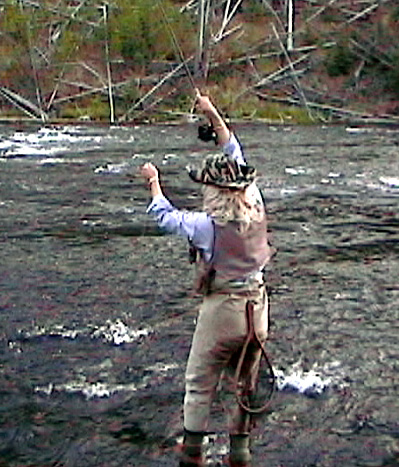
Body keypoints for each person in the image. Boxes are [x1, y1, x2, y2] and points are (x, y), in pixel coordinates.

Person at [140, 90, 273, 467]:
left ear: (213, 190)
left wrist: (153, 182)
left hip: (223, 312)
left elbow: (165, 217)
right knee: (243, 384)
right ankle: (240, 453)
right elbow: (235, 152)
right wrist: (212, 112)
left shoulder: (206, 226)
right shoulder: (257, 205)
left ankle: (193, 453)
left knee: (200, 382)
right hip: (258, 310)